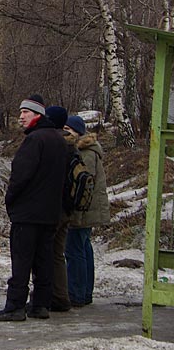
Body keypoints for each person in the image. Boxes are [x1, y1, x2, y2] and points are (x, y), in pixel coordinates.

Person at [0, 95, 68, 322]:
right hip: (50, 212)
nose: (20, 117)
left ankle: (15, 306)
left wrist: (11, 200)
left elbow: (20, 176)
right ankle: (40, 305)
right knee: (44, 261)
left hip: (28, 213)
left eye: (25, 112)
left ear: (37, 115)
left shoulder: (35, 140)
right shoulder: (59, 140)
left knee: (22, 261)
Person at [64, 114, 109, 307]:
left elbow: (82, 184)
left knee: (74, 250)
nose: (65, 132)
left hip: (83, 210)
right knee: (83, 248)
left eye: (68, 129)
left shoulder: (85, 153)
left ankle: (77, 294)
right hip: (89, 209)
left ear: (77, 132)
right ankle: (84, 292)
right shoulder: (89, 150)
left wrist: (73, 208)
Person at [44, 105, 74, 313]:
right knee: (57, 254)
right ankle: (61, 295)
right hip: (67, 206)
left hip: (52, 207)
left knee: (45, 252)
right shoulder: (72, 146)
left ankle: (46, 297)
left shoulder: (53, 145)